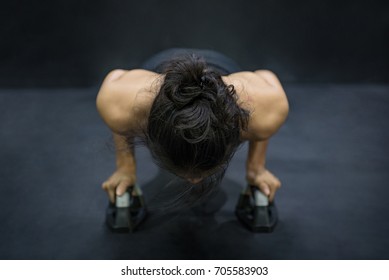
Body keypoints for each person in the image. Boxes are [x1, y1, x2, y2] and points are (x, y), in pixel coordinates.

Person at [96, 49, 289, 207]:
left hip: (227, 72)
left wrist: (256, 168)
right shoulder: (126, 105)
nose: (194, 181)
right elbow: (122, 117)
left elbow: (265, 76)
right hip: (159, 70)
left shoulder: (259, 107)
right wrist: (125, 168)